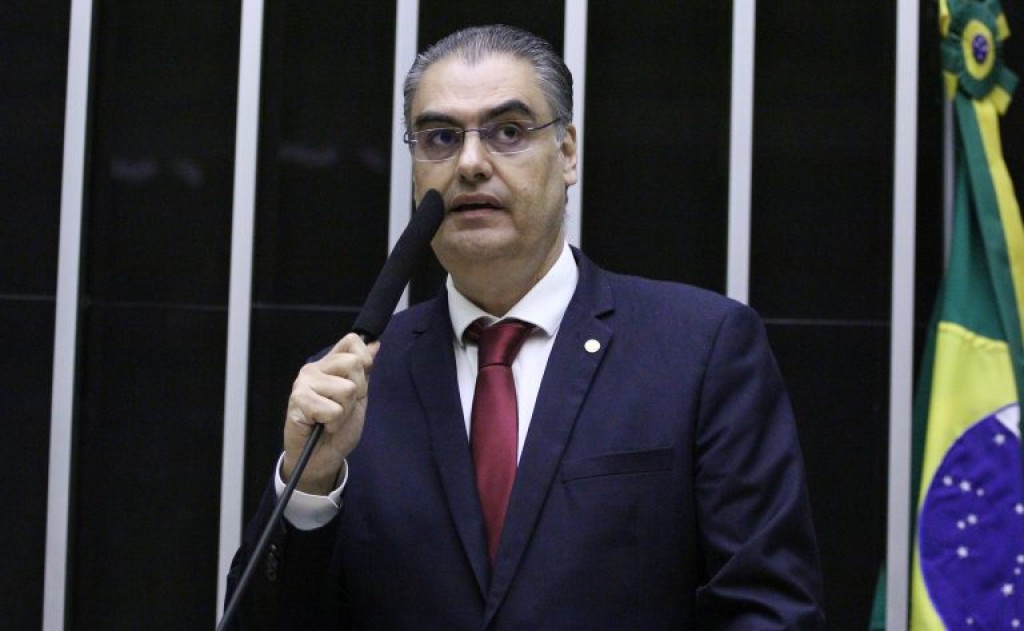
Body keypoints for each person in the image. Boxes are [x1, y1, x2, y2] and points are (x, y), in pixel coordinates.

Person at [227, 24, 825, 629]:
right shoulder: (350, 384)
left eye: (508, 132)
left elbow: (768, 609)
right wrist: (310, 486)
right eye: (441, 138)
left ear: (567, 153)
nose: (470, 164)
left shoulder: (701, 349)